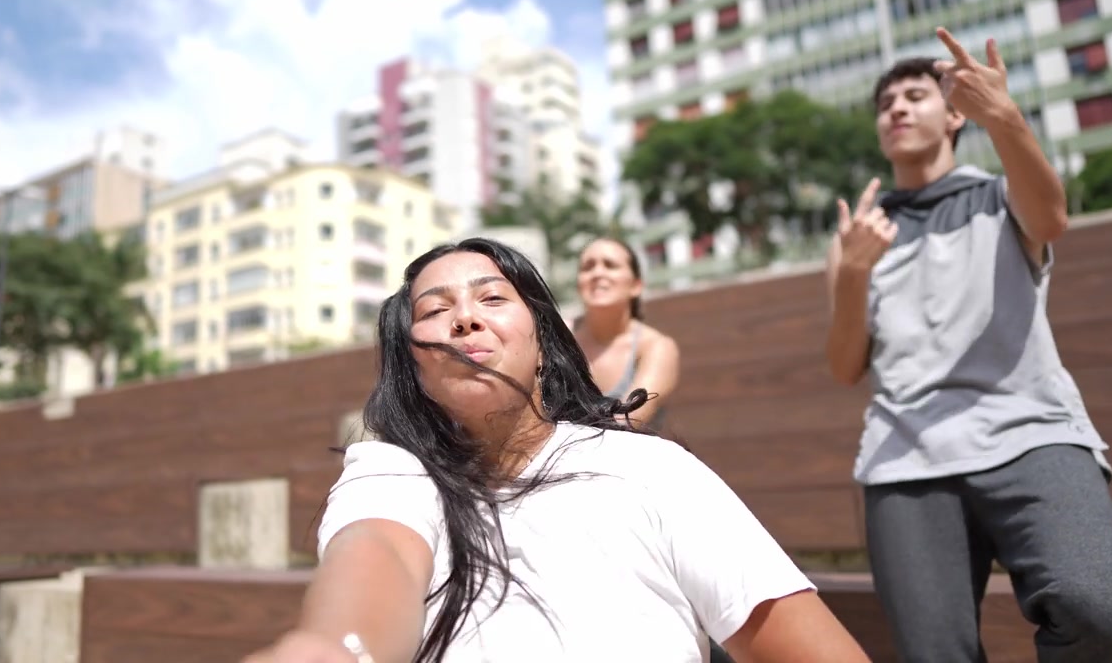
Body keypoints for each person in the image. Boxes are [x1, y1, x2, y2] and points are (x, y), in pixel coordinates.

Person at [247, 238, 870, 663]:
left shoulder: (651, 470)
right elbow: (377, 551)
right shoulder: (392, 472)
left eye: (493, 298)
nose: (465, 319)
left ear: (545, 341)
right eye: (435, 310)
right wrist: (334, 649)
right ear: (411, 366)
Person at [824, 26, 1112, 662]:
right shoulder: (859, 235)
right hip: (906, 454)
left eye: (914, 96)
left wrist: (1005, 115)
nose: (896, 109)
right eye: (885, 104)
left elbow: (1052, 218)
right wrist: (852, 272)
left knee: (1101, 609)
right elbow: (846, 366)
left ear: (956, 114)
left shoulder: (999, 193)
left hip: (1031, 431)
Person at [573, 237, 679, 430]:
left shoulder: (657, 347)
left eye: (610, 265)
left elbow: (629, 420)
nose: (597, 273)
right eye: (588, 267)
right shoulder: (558, 337)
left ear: (636, 286)